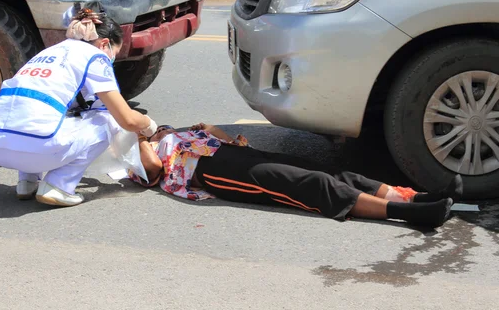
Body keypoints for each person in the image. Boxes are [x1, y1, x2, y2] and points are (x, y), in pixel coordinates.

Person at [0, 6, 158, 207]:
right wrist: (149, 125)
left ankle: (27, 182)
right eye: (114, 53)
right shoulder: (95, 57)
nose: (112, 59)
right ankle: (59, 185)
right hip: (37, 147)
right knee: (106, 119)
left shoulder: (51, 52)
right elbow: (126, 119)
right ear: (105, 43)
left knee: (38, 111)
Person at [129, 123, 462, 227]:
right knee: (312, 186)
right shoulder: (140, 150)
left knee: (328, 170)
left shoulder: (177, 132)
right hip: (215, 171)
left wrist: (208, 130)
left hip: (235, 152)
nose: (155, 125)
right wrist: (141, 137)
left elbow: (228, 140)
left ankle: (416, 197)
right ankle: (409, 214)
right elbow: (154, 172)